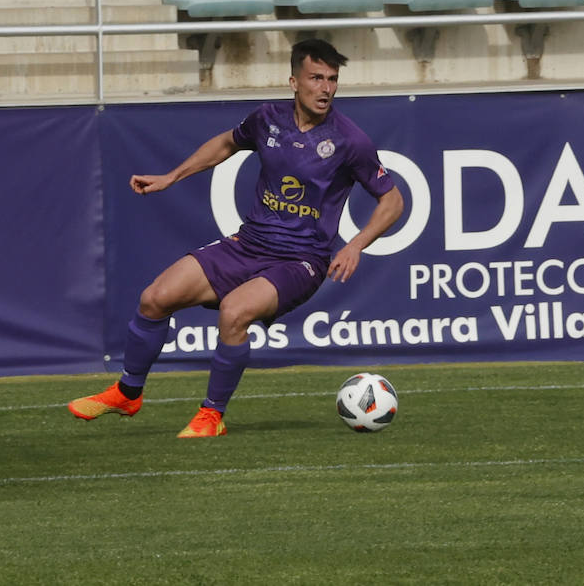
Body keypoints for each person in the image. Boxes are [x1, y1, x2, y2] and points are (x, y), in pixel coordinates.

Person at [68, 39, 405, 438]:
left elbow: (393, 199)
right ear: (294, 80)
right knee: (154, 298)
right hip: (248, 244)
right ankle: (128, 393)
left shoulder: (350, 140)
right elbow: (227, 143)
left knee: (234, 311)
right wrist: (172, 176)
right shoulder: (267, 119)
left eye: (332, 79)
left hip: (301, 260)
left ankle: (212, 415)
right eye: (317, 78)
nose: (326, 88)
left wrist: (355, 245)